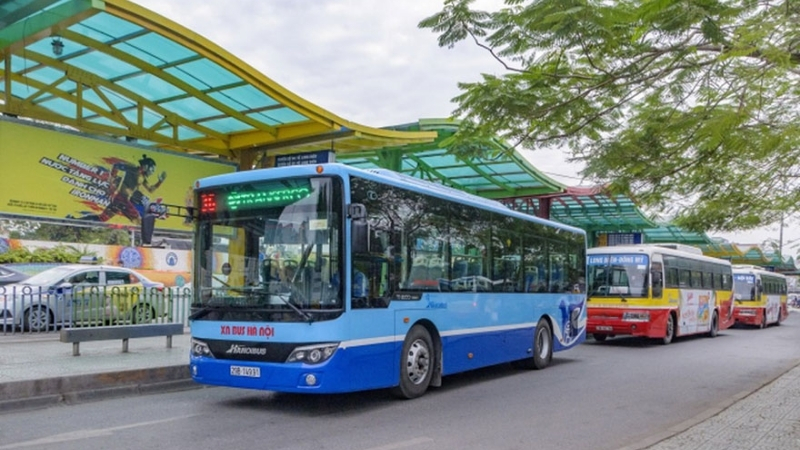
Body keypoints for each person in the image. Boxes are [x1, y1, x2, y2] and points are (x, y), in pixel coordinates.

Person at [72, 155, 167, 224]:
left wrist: (160, 181)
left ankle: (75, 221)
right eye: (151, 169)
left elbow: (151, 189)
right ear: (146, 166)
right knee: (138, 220)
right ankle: (139, 241)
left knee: (103, 218)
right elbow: (117, 165)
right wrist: (112, 180)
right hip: (122, 199)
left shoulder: (142, 177)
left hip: (120, 199)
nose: (151, 172)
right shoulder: (133, 169)